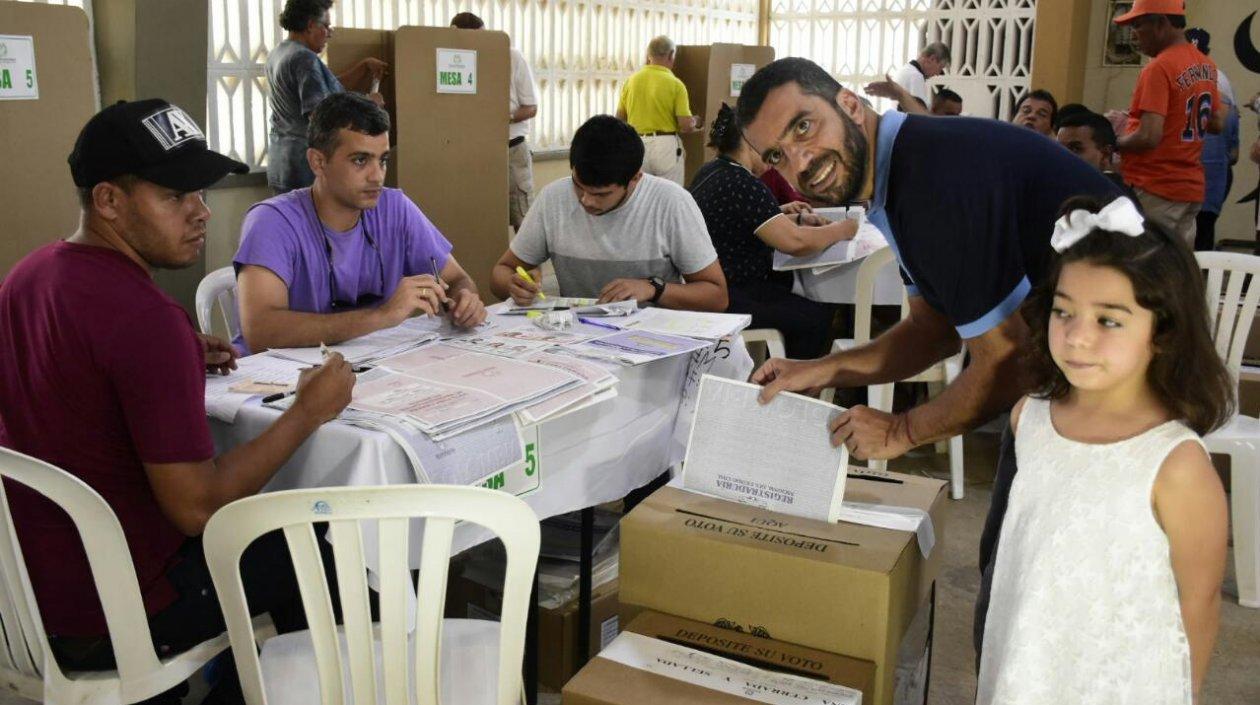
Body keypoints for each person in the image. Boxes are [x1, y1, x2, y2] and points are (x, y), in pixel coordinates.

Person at [735, 57, 1121, 645]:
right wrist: (821, 369)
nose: (800, 164)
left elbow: (1009, 357)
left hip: (1114, 395)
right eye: (777, 156)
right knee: (1010, 593)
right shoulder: (896, 175)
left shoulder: (931, 176)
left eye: (803, 128)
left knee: (1038, 613)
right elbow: (933, 328)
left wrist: (901, 431)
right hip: (1069, 378)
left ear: (850, 104)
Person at [0, 99, 356, 702]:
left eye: (200, 193)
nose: (201, 213)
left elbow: (75, 378)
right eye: (175, 196)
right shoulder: (145, 319)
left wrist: (177, 354)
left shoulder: (29, 275)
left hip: (27, 596)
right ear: (109, 200)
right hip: (119, 609)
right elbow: (197, 510)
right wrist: (308, 412)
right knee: (326, 555)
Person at [976, 195, 1231, 704]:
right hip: (1028, 659)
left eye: (1108, 320)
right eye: (1063, 311)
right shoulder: (1031, 418)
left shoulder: (1175, 463)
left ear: (1162, 332)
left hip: (1117, 680)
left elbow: (1198, 601)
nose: (1076, 338)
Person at [235, 93, 488, 354]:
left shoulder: (395, 208)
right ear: (318, 162)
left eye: (383, 160)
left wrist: (464, 301)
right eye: (360, 160)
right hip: (278, 382)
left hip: (367, 366)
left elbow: (457, 278)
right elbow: (260, 331)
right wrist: (382, 316)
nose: (377, 176)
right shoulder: (272, 221)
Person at [490, 115, 727, 311]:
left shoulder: (671, 203)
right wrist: (514, 285)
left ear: (635, 178)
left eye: (601, 194)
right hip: (577, 336)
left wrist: (654, 289)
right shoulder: (553, 198)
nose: (586, 201)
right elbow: (500, 273)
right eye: (578, 186)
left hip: (652, 338)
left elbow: (716, 297)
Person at [690, 104, 856, 358]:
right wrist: (843, 230)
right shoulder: (741, 182)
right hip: (733, 293)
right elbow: (795, 242)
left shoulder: (712, 170)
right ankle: (791, 385)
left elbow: (737, 217)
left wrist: (778, 212)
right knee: (815, 317)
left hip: (713, 287)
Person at [1105, 0, 1223, 247]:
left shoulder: (1158, 67)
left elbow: (1149, 136)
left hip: (1155, 185)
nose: (1134, 33)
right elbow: (1217, 123)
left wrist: (1111, 143)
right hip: (1190, 188)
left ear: (1161, 23)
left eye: (1138, 24)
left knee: (1147, 267)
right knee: (1176, 268)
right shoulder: (1207, 66)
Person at [266, 0, 389, 194]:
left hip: (281, 162)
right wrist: (369, 103)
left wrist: (363, 67)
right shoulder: (305, 59)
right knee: (312, 221)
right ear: (310, 26)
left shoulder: (279, 53)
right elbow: (322, 114)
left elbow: (327, 87)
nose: (329, 32)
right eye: (326, 26)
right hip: (304, 165)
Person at [450, 12, 539, 231]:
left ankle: (525, 266)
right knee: (481, 223)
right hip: (472, 153)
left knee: (523, 221)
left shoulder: (511, 57)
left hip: (511, 150)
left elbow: (531, 107)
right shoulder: (451, 61)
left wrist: (498, 117)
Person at [615, 36, 703, 185]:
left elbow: (619, 120)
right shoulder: (675, 84)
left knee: (640, 195)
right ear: (671, 55)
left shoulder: (631, 81)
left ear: (648, 55)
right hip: (665, 147)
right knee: (670, 196)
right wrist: (695, 120)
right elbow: (685, 125)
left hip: (637, 144)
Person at [1186, 27, 1240, 252]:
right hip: (1215, 178)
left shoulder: (1177, 74)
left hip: (1185, 177)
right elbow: (1234, 153)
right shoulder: (1221, 79)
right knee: (1203, 239)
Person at [1054, 109, 1135, 198]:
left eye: (1075, 149)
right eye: (1059, 148)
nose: (1063, 156)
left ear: (1105, 154)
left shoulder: (1116, 200)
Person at [891, 42, 951, 108]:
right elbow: (919, 113)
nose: (937, 74)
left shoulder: (904, 69)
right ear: (932, 59)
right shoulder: (916, 76)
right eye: (940, 68)